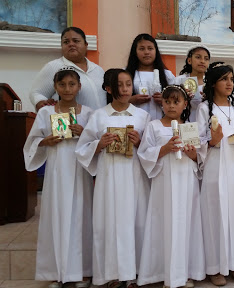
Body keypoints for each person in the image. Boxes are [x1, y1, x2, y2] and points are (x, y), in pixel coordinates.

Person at [75, 69, 151, 288]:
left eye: (129, 84)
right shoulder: (98, 116)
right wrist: (99, 144)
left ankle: (134, 274)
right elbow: (83, 148)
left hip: (134, 177)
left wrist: (139, 142)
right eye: (120, 85)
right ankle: (112, 274)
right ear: (108, 89)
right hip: (108, 178)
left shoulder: (141, 116)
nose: (126, 89)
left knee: (135, 222)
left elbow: (150, 149)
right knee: (109, 223)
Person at [24, 68, 94, 288]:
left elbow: (96, 144)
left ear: (79, 87)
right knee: (56, 216)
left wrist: (84, 132)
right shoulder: (46, 113)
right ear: (55, 87)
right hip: (56, 171)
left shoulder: (89, 113)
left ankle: (82, 271)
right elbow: (32, 142)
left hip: (80, 170)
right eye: (62, 85)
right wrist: (46, 141)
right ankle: (56, 271)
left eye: (72, 84)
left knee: (81, 216)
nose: (67, 89)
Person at [137, 85, 205, 288]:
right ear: (162, 104)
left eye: (176, 101)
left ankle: (185, 271)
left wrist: (192, 152)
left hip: (186, 182)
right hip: (164, 183)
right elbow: (144, 154)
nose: (171, 105)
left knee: (187, 224)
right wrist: (165, 148)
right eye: (167, 101)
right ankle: (165, 272)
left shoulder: (190, 127)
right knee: (164, 223)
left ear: (185, 104)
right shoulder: (154, 126)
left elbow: (199, 158)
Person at [196, 62, 234, 286]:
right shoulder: (204, 109)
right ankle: (216, 266)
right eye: (224, 79)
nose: (230, 83)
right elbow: (199, 140)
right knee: (216, 213)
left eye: (231, 79)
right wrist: (212, 140)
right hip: (215, 164)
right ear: (213, 83)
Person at [29, 27, 106, 111]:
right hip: (72, 122)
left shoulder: (98, 70)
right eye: (66, 42)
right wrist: (41, 103)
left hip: (100, 122)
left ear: (86, 45)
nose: (71, 44)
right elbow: (36, 92)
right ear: (62, 46)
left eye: (76, 41)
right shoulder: (54, 67)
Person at [126, 33, 175, 120]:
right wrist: (131, 100)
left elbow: (177, 99)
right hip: (135, 123)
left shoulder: (167, 75)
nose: (146, 52)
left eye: (150, 48)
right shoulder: (126, 74)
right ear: (135, 52)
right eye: (142, 49)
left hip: (161, 124)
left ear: (155, 51)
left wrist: (165, 100)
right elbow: (116, 101)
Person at [174, 45, 210, 122]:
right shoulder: (179, 80)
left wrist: (209, 98)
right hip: (184, 121)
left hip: (206, 121)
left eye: (206, 59)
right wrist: (182, 96)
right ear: (189, 60)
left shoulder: (211, 82)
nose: (202, 61)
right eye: (198, 57)